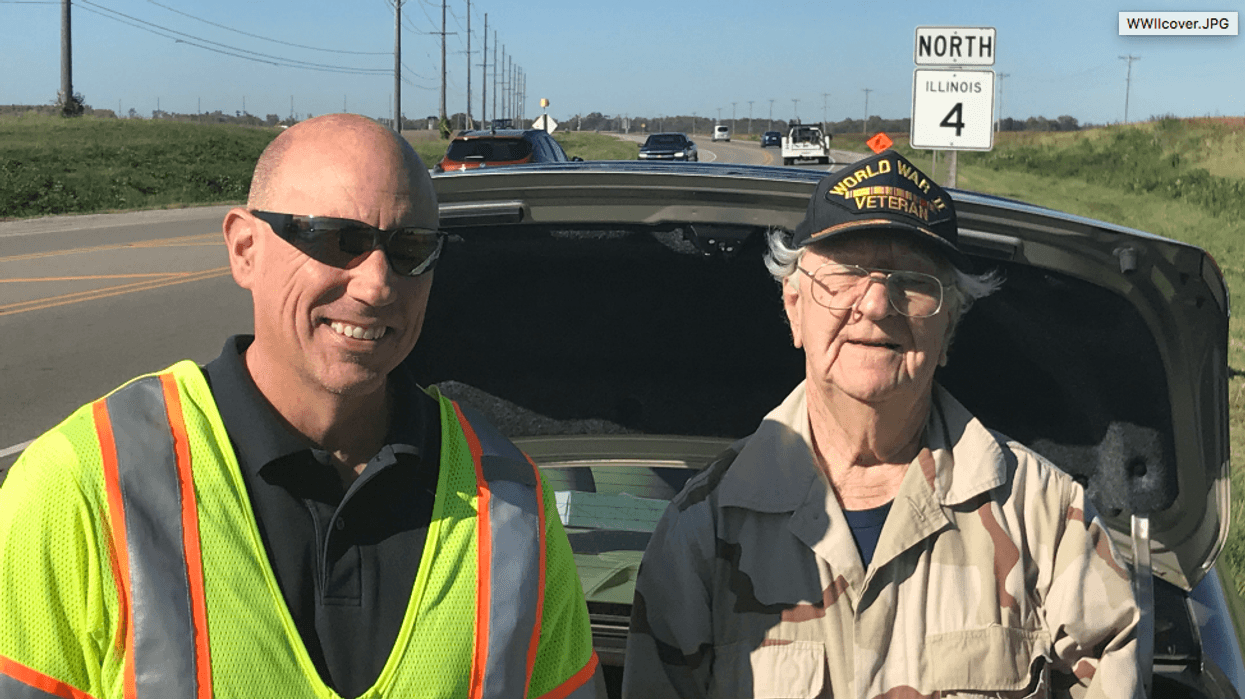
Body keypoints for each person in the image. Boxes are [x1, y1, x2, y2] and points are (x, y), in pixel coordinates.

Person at [0, 114, 602, 699]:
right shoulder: (83, 485)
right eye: (340, 240)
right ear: (244, 248)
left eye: (410, 248)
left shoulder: (511, 503)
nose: (376, 284)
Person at [622, 151, 1141, 699]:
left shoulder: (1050, 521)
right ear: (794, 307)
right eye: (845, 273)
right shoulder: (703, 530)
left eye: (912, 281)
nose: (874, 304)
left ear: (949, 328)